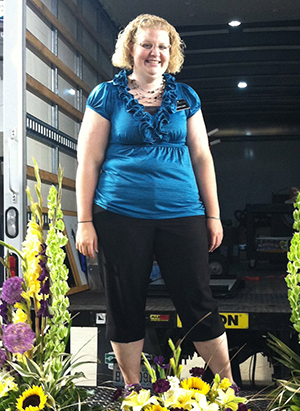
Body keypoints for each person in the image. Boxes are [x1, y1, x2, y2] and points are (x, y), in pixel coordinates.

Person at [75, 14, 236, 390]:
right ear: (131, 48)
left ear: (172, 53)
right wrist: (84, 221)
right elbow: (90, 160)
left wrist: (213, 214)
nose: (155, 52)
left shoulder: (186, 97)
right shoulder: (106, 96)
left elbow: (201, 157)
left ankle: (228, 386)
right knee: (125, 301)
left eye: (163, 46)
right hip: (119, 214)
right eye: (147, 44)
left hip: (183, 213)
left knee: (197, 299)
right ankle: (133, 388)